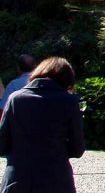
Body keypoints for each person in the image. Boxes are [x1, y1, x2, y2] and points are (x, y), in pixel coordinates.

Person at [0, 57, 84, 191]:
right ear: (67, 81)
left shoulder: (15, 99)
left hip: (18, 179)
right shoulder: (68, 101)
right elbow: (78, 148)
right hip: (56, 179)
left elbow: (2, 144)